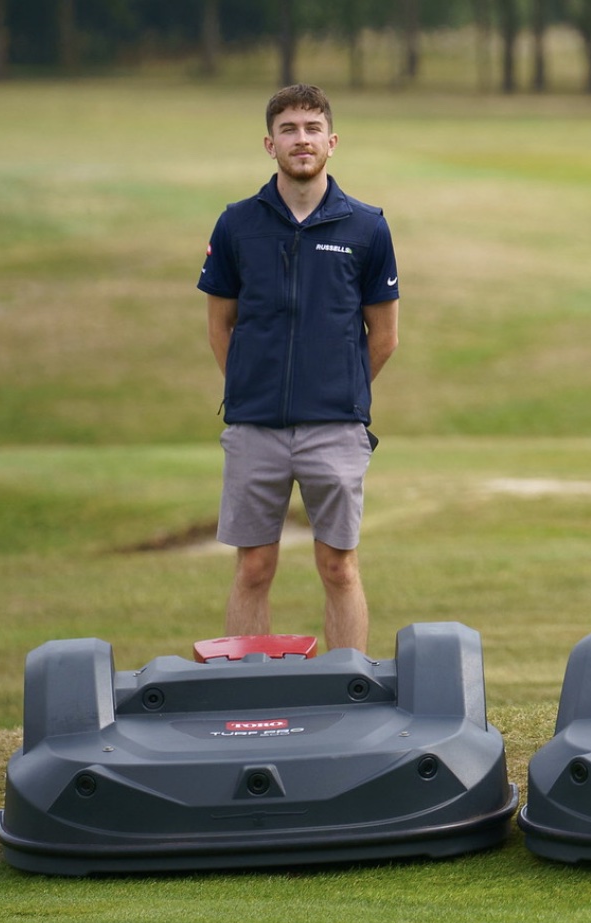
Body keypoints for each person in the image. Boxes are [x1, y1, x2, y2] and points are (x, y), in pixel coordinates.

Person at [199, 84, 400, 653]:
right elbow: (221, 327)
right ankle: (250, 695)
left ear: (332, 143)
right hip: (254, 427)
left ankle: (348, 688)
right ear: (270, 144)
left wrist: (340, 393)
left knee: (338, 567)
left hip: (335, 428)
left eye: (312, 130)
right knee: (254, 567)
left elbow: (383, 338)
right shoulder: (237, 225)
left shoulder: (368, 228)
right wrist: (249, 387)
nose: (301, 140)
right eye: (289, 130)